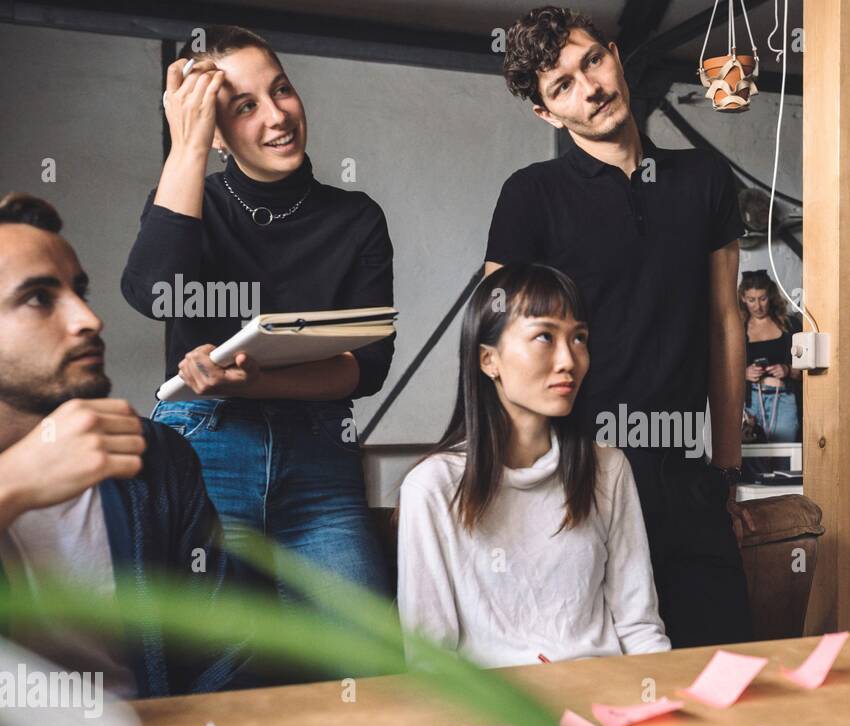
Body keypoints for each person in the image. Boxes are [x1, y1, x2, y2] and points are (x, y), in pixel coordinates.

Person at [486, 6, 752, 648]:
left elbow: (724, 322)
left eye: (592, 62)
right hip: (579, 470)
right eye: (563, 86)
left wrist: (726, 465)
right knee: (597, 674)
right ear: (547, 114)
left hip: (688, 472)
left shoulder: (706, 179)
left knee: (720, 659)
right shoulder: (531, 194)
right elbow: (496, 339)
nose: (591, 88)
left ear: (614, 55)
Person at [120, 25, 395, 598]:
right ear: (217, 133)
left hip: (318, 454)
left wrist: (260, 379)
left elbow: (367, 367)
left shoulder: (357, 217)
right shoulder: (194, 201)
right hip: (206, 440)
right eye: (245, 106)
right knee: (221, 661)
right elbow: (153, 292)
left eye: (282, 90)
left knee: (366, 661)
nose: (276, 116)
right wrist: (188, 145)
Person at [0, 193, 245, 697]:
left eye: (79, 291)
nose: (89, 318)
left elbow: (227, 647)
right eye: (39, 298)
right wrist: (13, 485)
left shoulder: (153, 453)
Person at [397, 263, 670, 668]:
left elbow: (639, 627)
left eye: (579, 338)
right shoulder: (432, 486)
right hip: (501, 714)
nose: (569, 360)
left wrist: (664, 705)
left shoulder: (608, 468)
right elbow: (431, 660)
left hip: (605, 701)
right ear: (488, 360)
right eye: (545, 336)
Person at [740, 269, 801, 445]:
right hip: (750, 404)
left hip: (784, 400)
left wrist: (787, 369)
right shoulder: (737, 328)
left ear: (771, 296)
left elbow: (809, 368)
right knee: (752, 462)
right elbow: (721, 370)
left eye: (763, 298)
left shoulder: (790, 325)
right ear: (743, 299)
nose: (758, 306)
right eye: (751, 300)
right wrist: (743, 373)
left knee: (785, 458)